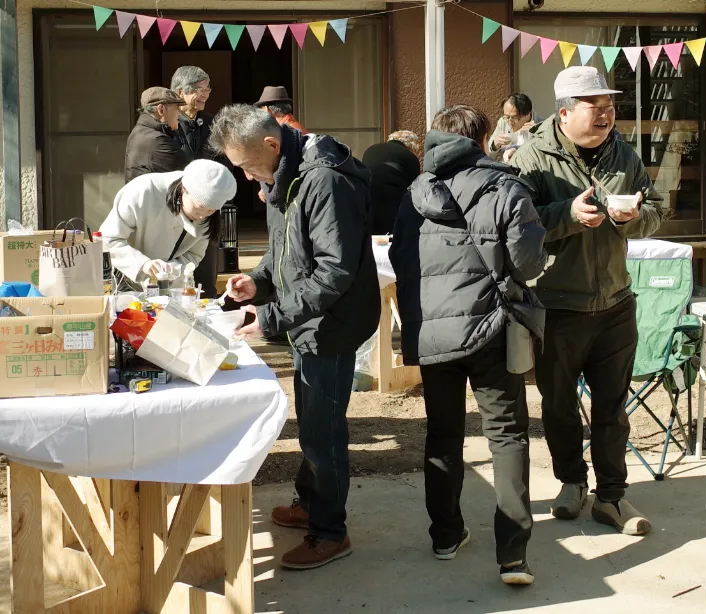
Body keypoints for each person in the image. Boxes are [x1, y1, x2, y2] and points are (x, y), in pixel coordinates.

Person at [211, 104, 380, 571]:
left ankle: (330, 532)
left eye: (247, 166)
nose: (247, 178)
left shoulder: (324, 180)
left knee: (322, 431)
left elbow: (333, 270)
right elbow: (284, 249)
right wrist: (257, 281)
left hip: (332, 322)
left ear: (271, 144)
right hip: (309, 318)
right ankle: (311, 503)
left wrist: (271, 316)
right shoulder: (284, 177)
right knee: (312, 423)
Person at [389, 116, 546, 586]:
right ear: (482, 139)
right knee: (506, 436)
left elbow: (400, 258)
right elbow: (528, 262)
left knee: (442, 434)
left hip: (435, 333)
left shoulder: (414, 193)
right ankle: (513, 556)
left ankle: (445, 535)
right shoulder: (505, 187)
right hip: (493, 328)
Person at [512, 66, 664, 536]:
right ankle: (571, 483)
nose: (605, 115)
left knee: (612, 409)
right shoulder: (530, 158)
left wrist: (632, 218)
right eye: (594, 107)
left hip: (616, 302)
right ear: (564, 112)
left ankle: (613, 497)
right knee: (557, 404)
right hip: (558, 304)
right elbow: (519, 225)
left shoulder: (624, 153)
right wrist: (569, 214)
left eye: (610, 106)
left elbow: (656, 211)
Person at [100, 160, 236, 291]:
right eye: (199, 207)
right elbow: (108, 239)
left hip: (173, 289)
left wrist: (173, 269)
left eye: (211, 210)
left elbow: (194, 255)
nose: (202, 215)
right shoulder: (144, 190)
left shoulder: (209, 218)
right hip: (126, 281)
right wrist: (143, 264)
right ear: (184, 189)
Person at [171, 65, 221, 296]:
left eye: (207, 89)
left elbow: (224, 158)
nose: (205, 94)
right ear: (181, 93)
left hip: (207, 205)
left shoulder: (212, 123)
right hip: (177, 205)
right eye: (199, 89)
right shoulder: (168, 124)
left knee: (206, 269)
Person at [362, 130, 422, 235]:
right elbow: (415, 187)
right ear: (413, 146)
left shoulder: (370, 150)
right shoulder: (409, 157)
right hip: (394, 205)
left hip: (367, 202)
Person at [125, 87, 187, 183]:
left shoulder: (141, 132)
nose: (180, 113)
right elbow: (189, 175)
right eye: (177, 108)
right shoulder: (157, 140)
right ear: (161, 109)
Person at [488, 93, 536, 162]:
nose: (509, 121)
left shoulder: (541, 126)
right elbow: (487, 156)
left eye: (514, 117)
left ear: (528, 114)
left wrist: (536, 136)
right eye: (507, 116)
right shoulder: (503, 121)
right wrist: (494, 146)